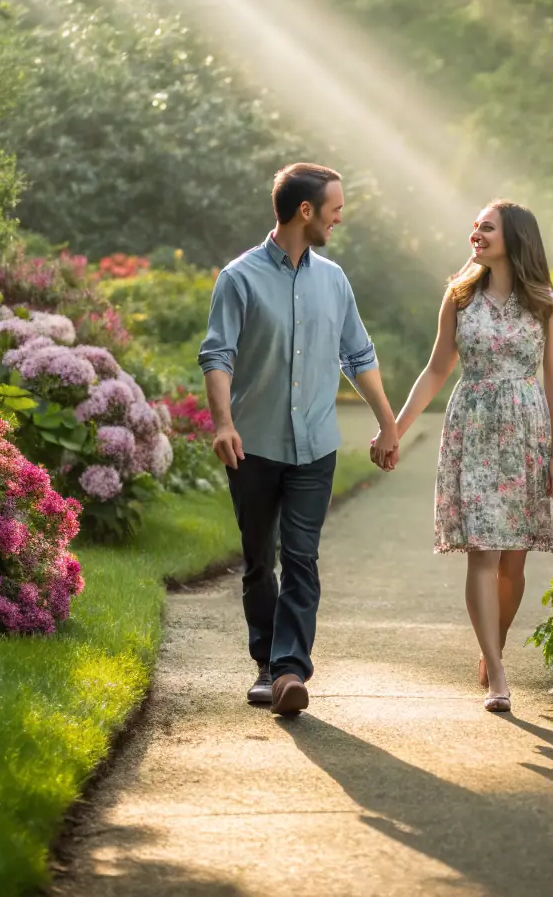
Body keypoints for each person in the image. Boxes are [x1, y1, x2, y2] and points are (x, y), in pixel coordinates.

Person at [200, 162, 400, 716]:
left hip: (315, 446)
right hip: (254, 445)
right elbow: (218, 355)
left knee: (303, 557)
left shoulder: (333, 280)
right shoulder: (238, 278)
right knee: (261, 560)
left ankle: (290, 670)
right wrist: (223, 423)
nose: (340, 217)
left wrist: (387, 421)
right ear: (305, 211)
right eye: (334, 207)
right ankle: (265, 663)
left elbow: (357, 355)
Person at [373, 200, 553, 712]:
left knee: (513, 561)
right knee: (483, 551)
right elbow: (437, 369)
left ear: (515, 238)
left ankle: (494, 644)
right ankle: (498, 671)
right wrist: (394, 428)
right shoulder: (459, 298)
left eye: (487, 227)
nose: (476, 234)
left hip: (528, 431)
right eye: (474, 226)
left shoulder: (545, 301)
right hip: (474, 429)